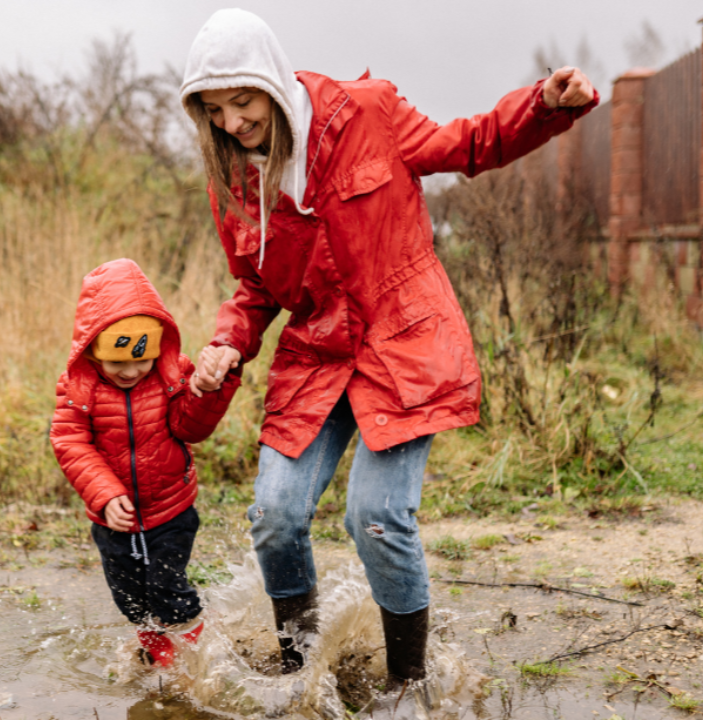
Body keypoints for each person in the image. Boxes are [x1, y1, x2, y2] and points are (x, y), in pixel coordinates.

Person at [181, 9, 597, 687]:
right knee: (274, 516)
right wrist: (227, 342)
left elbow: (468, 145)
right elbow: (254, 287)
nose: (231, 122)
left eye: (243, 101)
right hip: (316, 353)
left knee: (375, 516)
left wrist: (543, 104)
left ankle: (408, 685)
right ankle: (298, 673)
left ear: (273, 82)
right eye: (214, 109)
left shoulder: (365, 114)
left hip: (403, 344)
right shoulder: (232, 177)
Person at [50, 258, 242, 668]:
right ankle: (158, 654)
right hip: (114, 518)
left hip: (170, 509)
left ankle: (196, 658)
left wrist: (207, 392)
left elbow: (190, 428)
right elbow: (69, 440)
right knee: (130, 597)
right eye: (117, 362)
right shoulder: (78, 388)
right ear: (92, 349)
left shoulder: (172, 375)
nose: (131, 371)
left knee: (167, 588)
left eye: (142, 359)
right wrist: (104, 494)